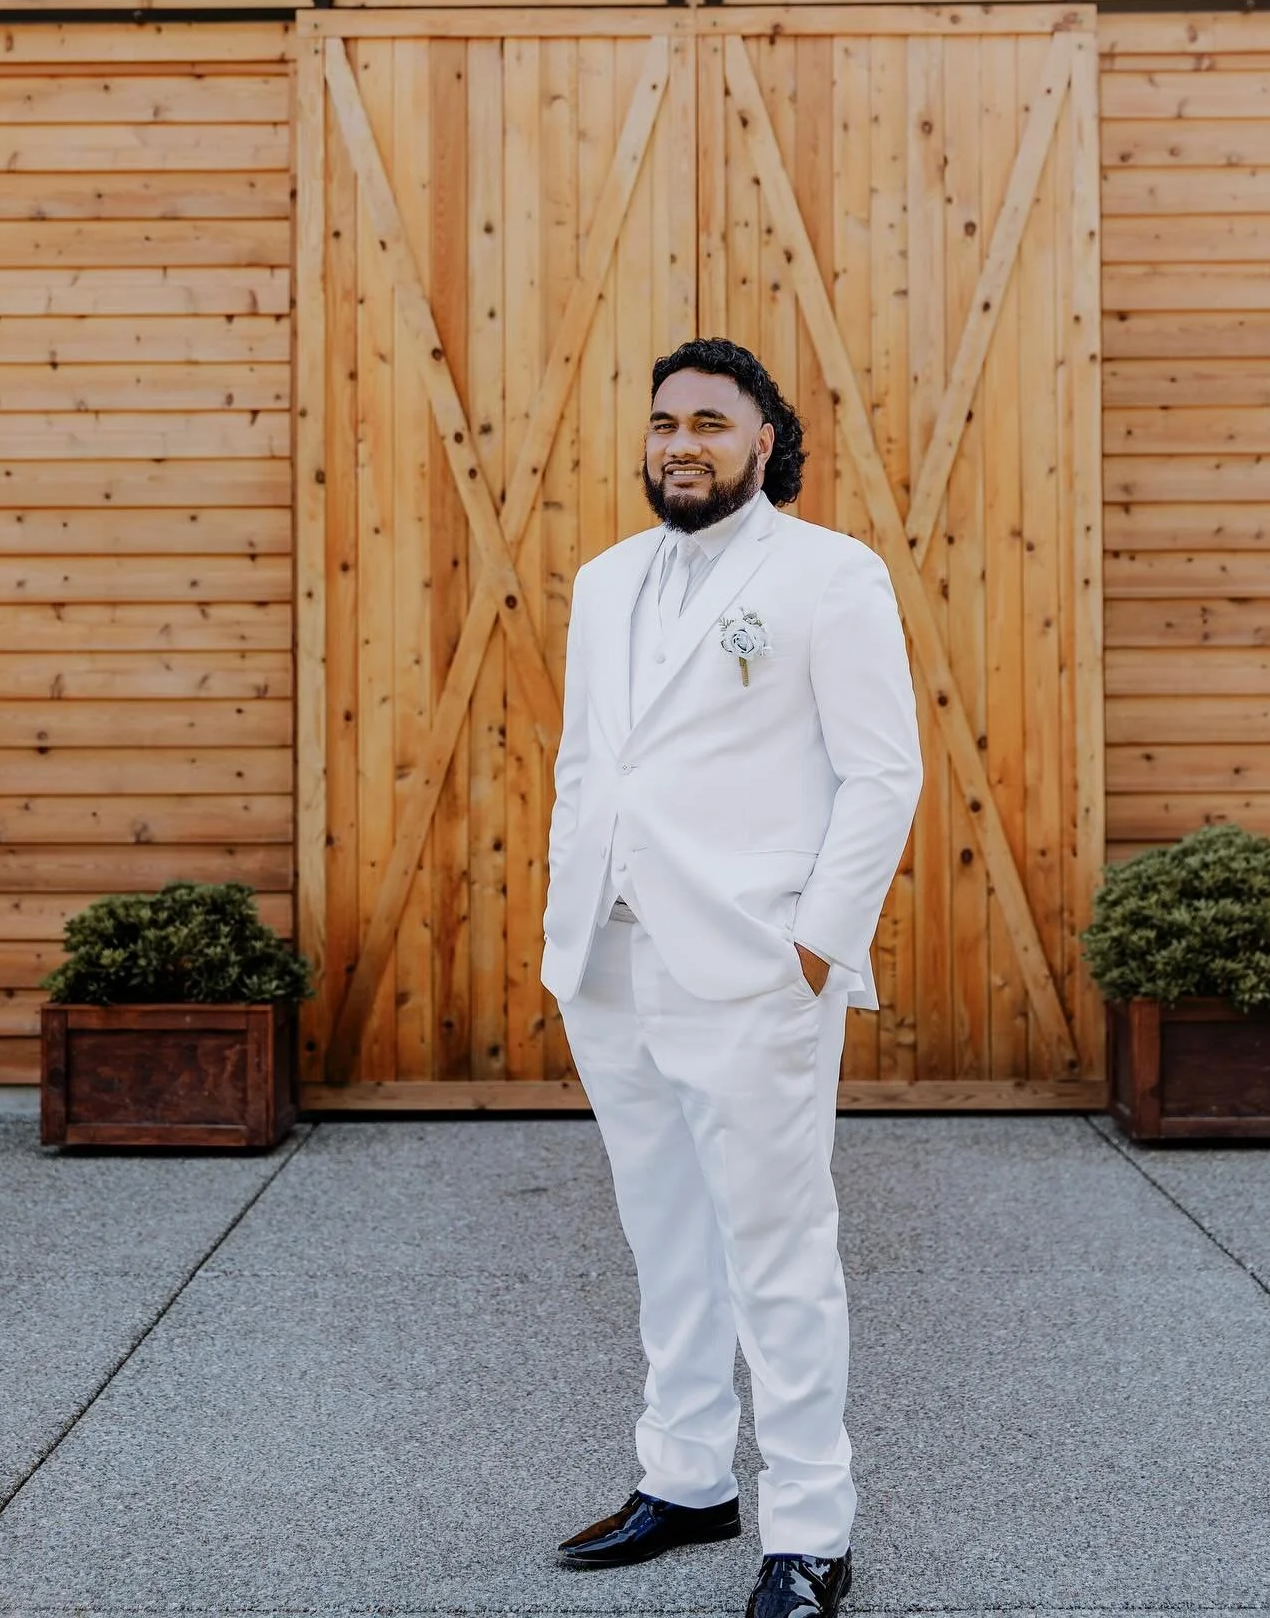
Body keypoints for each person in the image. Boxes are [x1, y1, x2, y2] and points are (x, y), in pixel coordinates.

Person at [541, 339, 923, 1618]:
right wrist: (567, 924)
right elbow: (591, 771)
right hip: (612, 955)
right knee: (665, 1234)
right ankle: (688, 1478)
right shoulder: (603, 583)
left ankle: (813, 1530)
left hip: (755, 965)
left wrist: (815, 944)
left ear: (764, 443)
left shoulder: (829, 576)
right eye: (663, 421)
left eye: (710, 421)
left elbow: (883, 775)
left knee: (778, 1247)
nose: (680, 442)